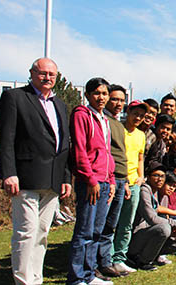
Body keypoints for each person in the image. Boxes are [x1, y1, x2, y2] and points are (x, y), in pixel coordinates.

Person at [0, 58, 72, 285]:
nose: (47, 78)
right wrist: (8, 173)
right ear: (32, 73)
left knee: (42, 234)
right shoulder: (15, 98)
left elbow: (64, 143)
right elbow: (4, 139)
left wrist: (66, 176)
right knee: (25, 233)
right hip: (25, 177)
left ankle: (36, 279)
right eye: (43, 73)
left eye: (52, 75)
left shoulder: (59, 104)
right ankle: (23, 281)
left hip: (53, 179)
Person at [68, 77, 116, 285]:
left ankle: (90, 273)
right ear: (87, 95)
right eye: (97, 93)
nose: (101, 97)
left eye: (105, 93)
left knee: (97, 231)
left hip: (105, 182)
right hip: (91, 182)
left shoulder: (104, 119)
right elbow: (80, 150)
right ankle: (77, 277)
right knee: (84, 231)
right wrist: (90, 179)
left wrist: (111, 179)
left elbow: (107, 153)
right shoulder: (82, 115)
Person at [111, 100, 148, 275]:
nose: (138, 117)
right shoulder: (118, 129)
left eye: (142, 115)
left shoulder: (141, 135)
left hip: (134, 183)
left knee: (127, 223)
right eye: (135, 114)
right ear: (128, 112)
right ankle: (106, 257)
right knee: (112, 222)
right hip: (117, 180)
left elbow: (141, 158)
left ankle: (119, 258)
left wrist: (140, 177)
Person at [97, 84, 129, 278]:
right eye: (115, 99)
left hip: (120, 180)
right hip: (106, 179)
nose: (118, 103)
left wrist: (124, 181)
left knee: (111, 224)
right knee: (98, 224)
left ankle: (105, 262)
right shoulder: (103, 121)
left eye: (121, 100)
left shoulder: (118, 123)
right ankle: (92, 265)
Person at [128, 164, 176, 271]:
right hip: (136, 236)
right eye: (156, 175)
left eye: (162, 176)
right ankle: (142, 261)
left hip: (148, 233)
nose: (159, 179)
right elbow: (151, 218)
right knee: (164, 228)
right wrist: (173, 222)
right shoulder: (144, 191)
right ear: (148, 176)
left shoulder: (158, 193)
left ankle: (155, 255)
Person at [155, 172, 176, 263]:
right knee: (166, 227)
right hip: (151, 228)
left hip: (166, 222)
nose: (171, 188)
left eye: (174, 186)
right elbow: (157, 210)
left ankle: (160, 253)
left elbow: (167, 214)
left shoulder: (166, 196)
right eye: (169, 185)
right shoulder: (154, 193)